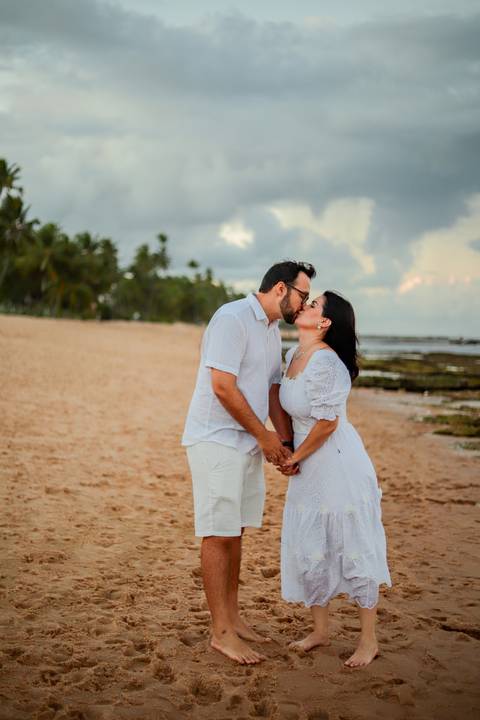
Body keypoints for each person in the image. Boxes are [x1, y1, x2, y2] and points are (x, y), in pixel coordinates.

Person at [182, 260, 316, 665]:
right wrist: (264, 437)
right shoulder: (232, 318)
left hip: (247, 443)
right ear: (280, 288)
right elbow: (221, 386)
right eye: (303, 295)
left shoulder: (272, 331)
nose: (304, 303)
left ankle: (233, 618)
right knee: (218, 533)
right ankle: (220, 632)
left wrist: (286, 444)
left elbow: (272, 392)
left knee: (236, 530)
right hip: (216, 440)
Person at [278, 290, 391, 668]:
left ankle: (368, 640)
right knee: (311, 543)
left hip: (337, 463)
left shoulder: (327, 364)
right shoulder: (295, 355)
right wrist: (290, 452)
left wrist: (295, 456)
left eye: (313, 304)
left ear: (324, 322)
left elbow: (328, 422)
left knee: (351, 542)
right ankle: (320, 630)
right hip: (309, 465)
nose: (304, 306)